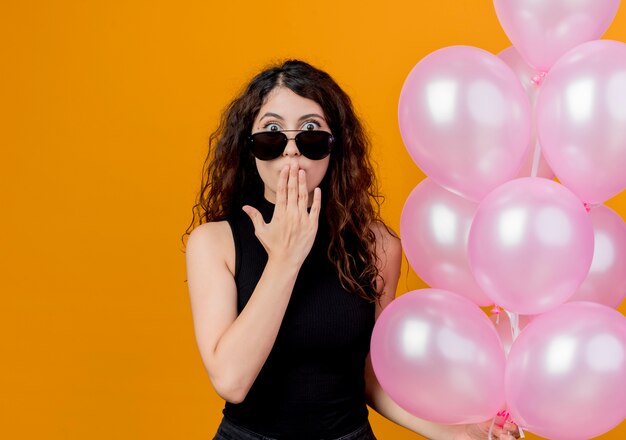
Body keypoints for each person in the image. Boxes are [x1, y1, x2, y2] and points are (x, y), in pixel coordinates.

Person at [183, 60, 518, 440]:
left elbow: (371, 376)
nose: (291, 150)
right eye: (271, 132)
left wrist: (454, 433)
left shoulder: (378, 246)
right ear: (249, 148)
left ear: (334, 145)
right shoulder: (215, 243)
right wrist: (285, 259)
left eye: (310, 131)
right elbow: (231, 380)